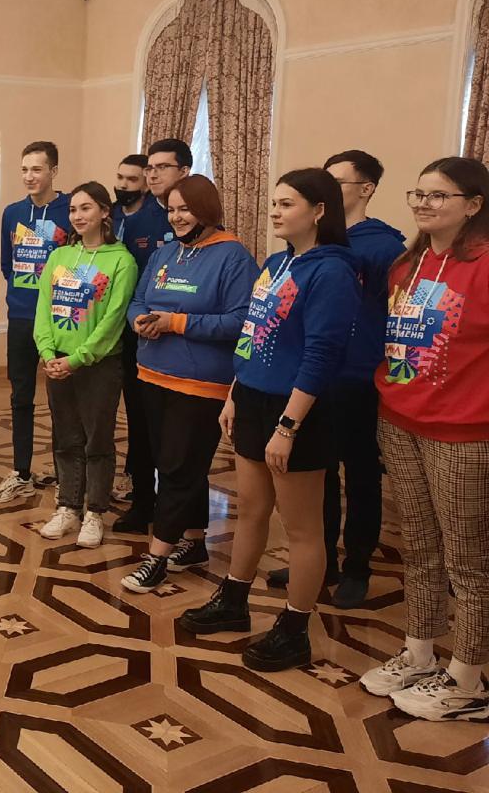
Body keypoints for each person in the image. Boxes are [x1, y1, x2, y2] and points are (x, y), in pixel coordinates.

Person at [180, 168, 359, 673]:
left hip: (298, 410)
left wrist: (288, 426)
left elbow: (321, 354)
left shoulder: (332, 271)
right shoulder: (277, 263)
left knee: (301, 529)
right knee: (252, 510)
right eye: (274, 203)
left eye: (287, 204)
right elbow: (254, 334)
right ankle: (233, 600)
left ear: (319, 211)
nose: (275, 212)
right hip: (253, 399)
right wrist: (235, 393)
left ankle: (294, 628)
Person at [360, 157, 489, 721]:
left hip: (462, 432)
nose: (423, 204)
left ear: (473, 205)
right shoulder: (407, 265)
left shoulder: (484, 265)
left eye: (438, 196)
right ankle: (419, 651)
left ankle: (468, 679)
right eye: (419, 193)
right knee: (419, 544)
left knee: (467, 557)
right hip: (400, 420)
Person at [268, 151, 404, 607]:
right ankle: (319, 560)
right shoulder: (306, 248)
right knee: (316, 471)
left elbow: (393, 315)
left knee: (360, 472)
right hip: (311, 377)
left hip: (357, 376)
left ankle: (357, 566)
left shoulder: (383, 247)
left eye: (338, 181)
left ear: (366, 189)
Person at [120, 176, 257, 592]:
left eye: (185, 209)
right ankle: (195, 541)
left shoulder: (233, 256)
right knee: (176, 463)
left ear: (207, 209)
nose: (177, 217)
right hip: (152, 375)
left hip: (200, 383)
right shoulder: (165, 253)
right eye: (172, 209)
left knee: (178, 468)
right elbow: (138, 300)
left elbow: (241, 320)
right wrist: (139, 321)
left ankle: (157, 556)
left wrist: (175, 323)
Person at [34, 182, 137, 548]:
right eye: (73, 209)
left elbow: (113, 320)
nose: (77, 216)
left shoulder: (122, 261)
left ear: (104, 212)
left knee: (97, 440)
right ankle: (68, 507)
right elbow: (44, 308)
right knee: (65, 439)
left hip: (98, 366)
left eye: (86, 208)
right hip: (57, 362)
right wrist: (48, 353)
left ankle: (95, 512)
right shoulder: (60, 257)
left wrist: (78, 359)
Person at [0, 141, 71, 503]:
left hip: (61, 320)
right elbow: (8, 264)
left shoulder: (71, 209)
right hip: (22, 316)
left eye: (37, 169)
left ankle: (66, 478)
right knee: (20, 396)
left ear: (54, 171)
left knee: (62, 401)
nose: (29, 176)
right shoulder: (13, 213)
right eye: (24, 169)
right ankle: (21, 472)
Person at [114, 139, 187, 530]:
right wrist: (137, 318)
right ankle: (143, 501)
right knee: (140, 420)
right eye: (150, 168)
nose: (153, 174)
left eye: (162, 167)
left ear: (183, 172)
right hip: (139, 334)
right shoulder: (136, 219)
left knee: (178, 435)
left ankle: (182, 518)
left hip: (185, 342)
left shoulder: (197, 221)